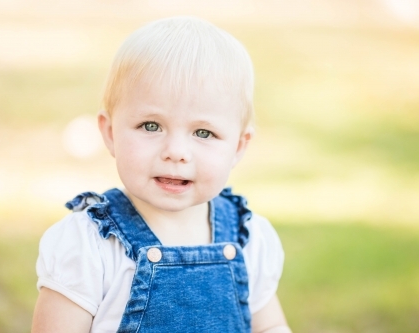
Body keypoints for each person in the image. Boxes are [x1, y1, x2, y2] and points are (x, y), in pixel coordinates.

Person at [31, 16, 292, 333]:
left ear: (238, 146)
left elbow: (269, 326)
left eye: (204, 132)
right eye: (151, 126)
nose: (176, 151)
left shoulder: (248, 238)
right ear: (111, 132)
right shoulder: (90, 245)